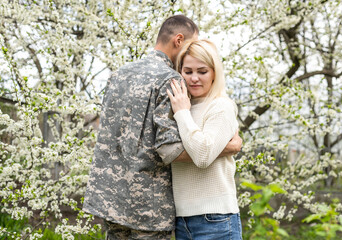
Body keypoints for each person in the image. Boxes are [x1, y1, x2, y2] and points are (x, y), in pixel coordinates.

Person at [83, 15, 242, 240]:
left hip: (110, 200)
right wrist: (226, 147)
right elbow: (169, 149)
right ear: (179, 40)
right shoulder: (170, 80)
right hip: (148, 206)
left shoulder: (118, 75)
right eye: (190, 44)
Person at [166, 39, 243, 240]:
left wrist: (182, 113)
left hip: (216, 220)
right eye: (188, 71)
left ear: (214, 73)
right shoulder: (181, 105)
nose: (194, 78)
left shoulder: (220, 106)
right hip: (182, 221)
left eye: (202, 71)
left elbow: (202, 156)